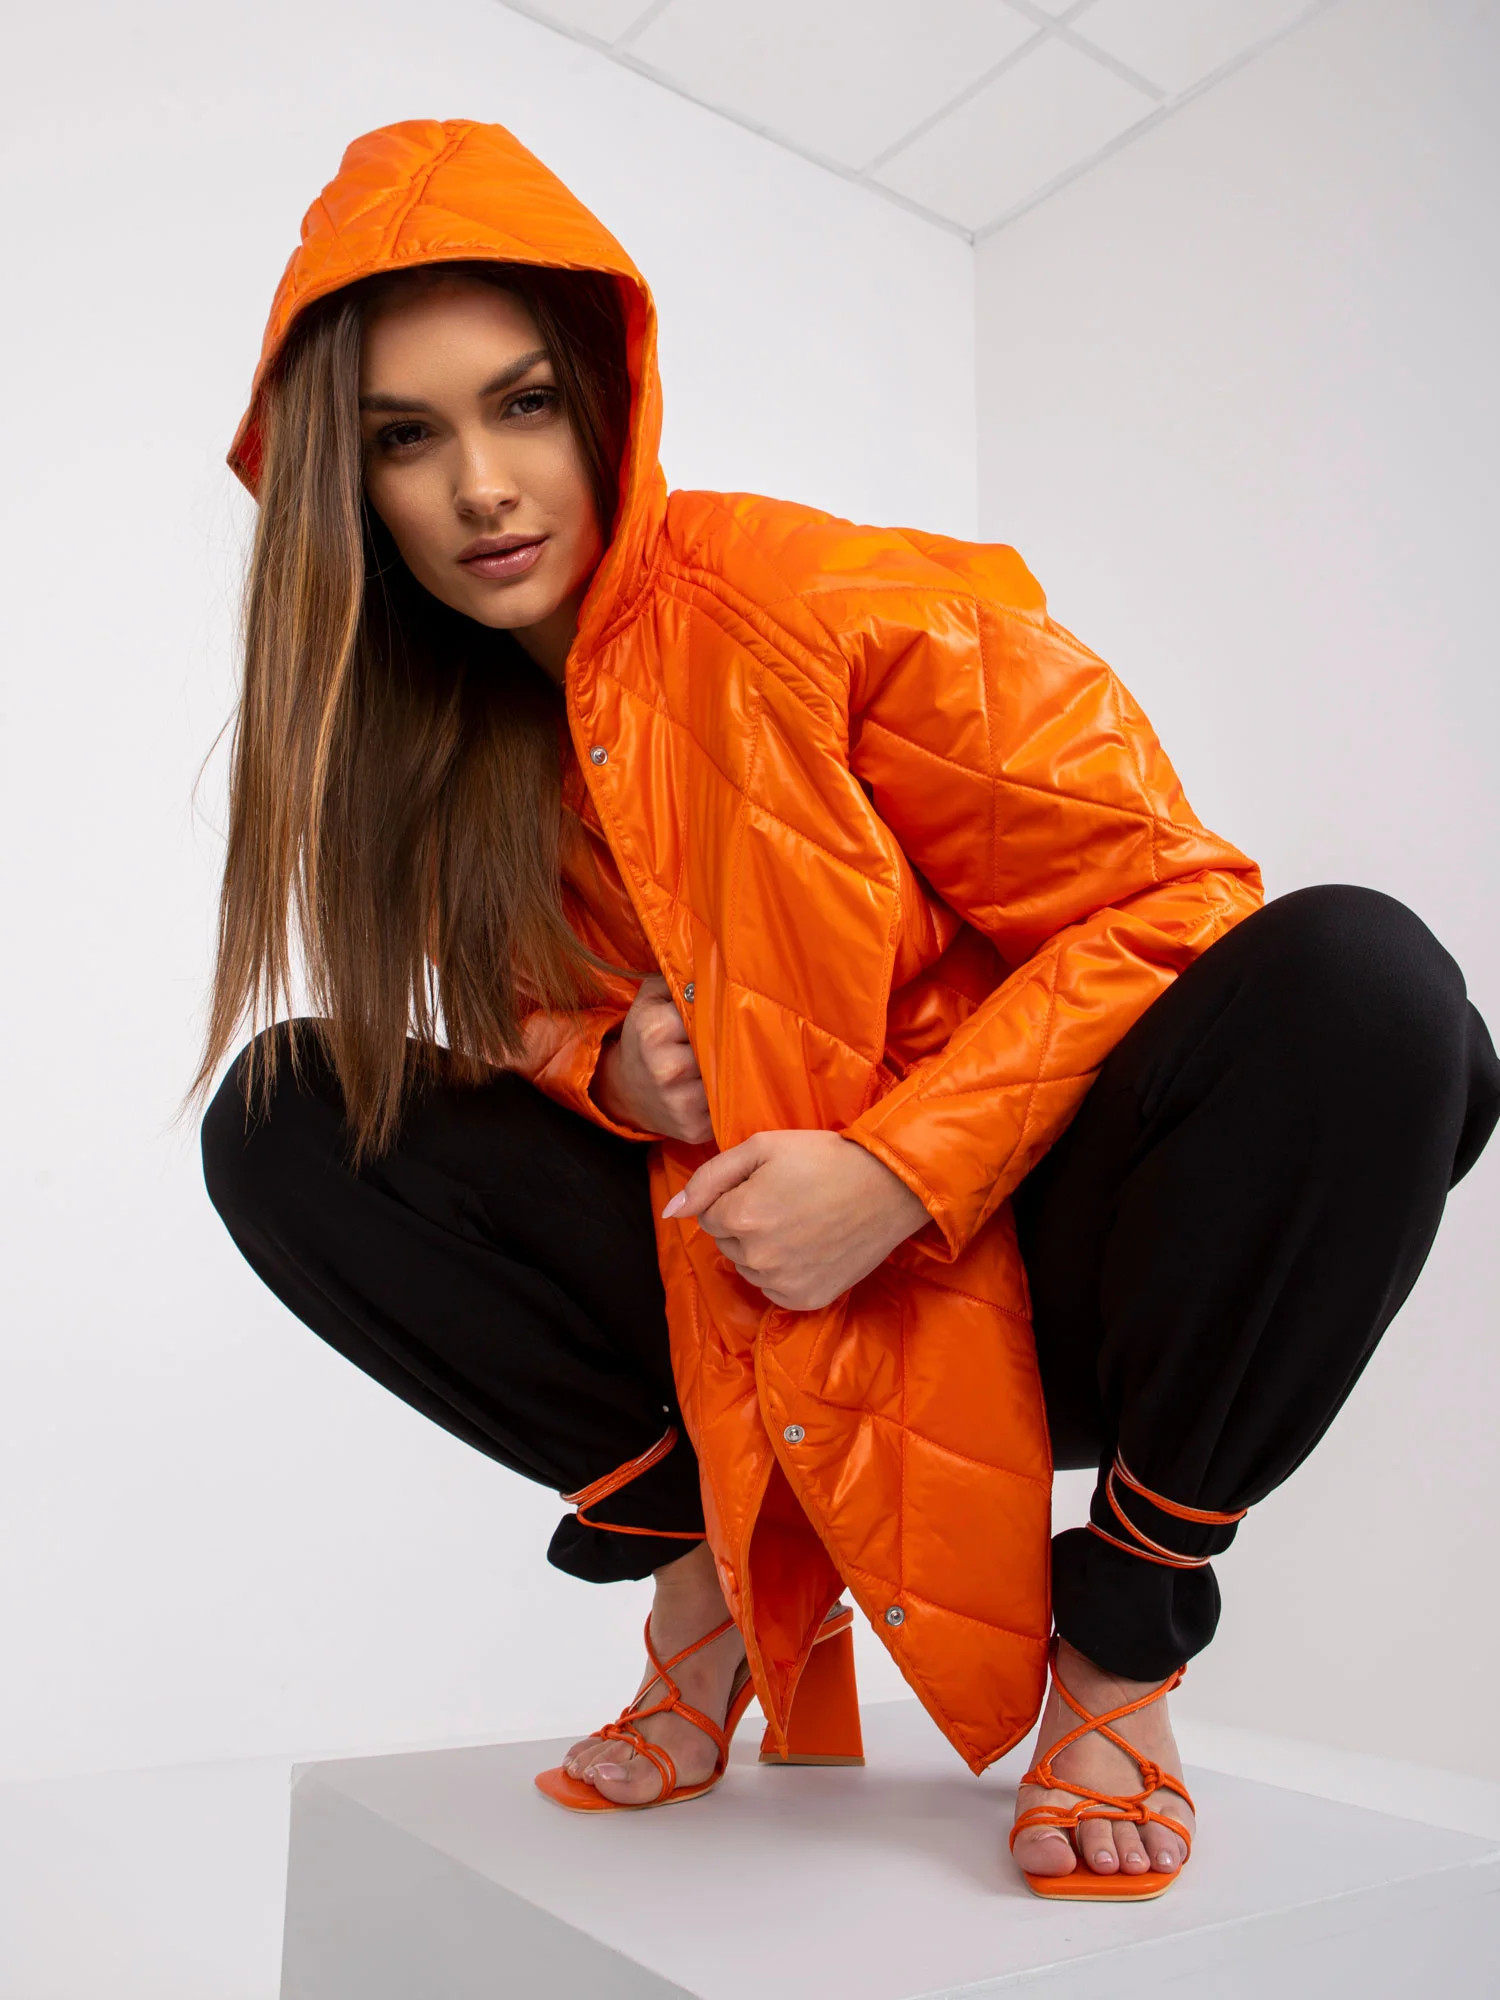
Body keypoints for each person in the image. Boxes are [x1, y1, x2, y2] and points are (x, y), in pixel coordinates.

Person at [197, 118, 1498, 1901]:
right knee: (288, 1108)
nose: (483, 486)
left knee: (1374, 991)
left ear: (606, 402)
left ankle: (1124, 1645)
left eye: (523, 406)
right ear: (343, 489)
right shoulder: (429, 759)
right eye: (404, 438)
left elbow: (1177, 898)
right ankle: (702, 1575)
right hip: (735, 1308)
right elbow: (512, 1026)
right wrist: (608, 1071)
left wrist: (897, 1171)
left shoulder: (814, 601)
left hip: (1034, 1279)